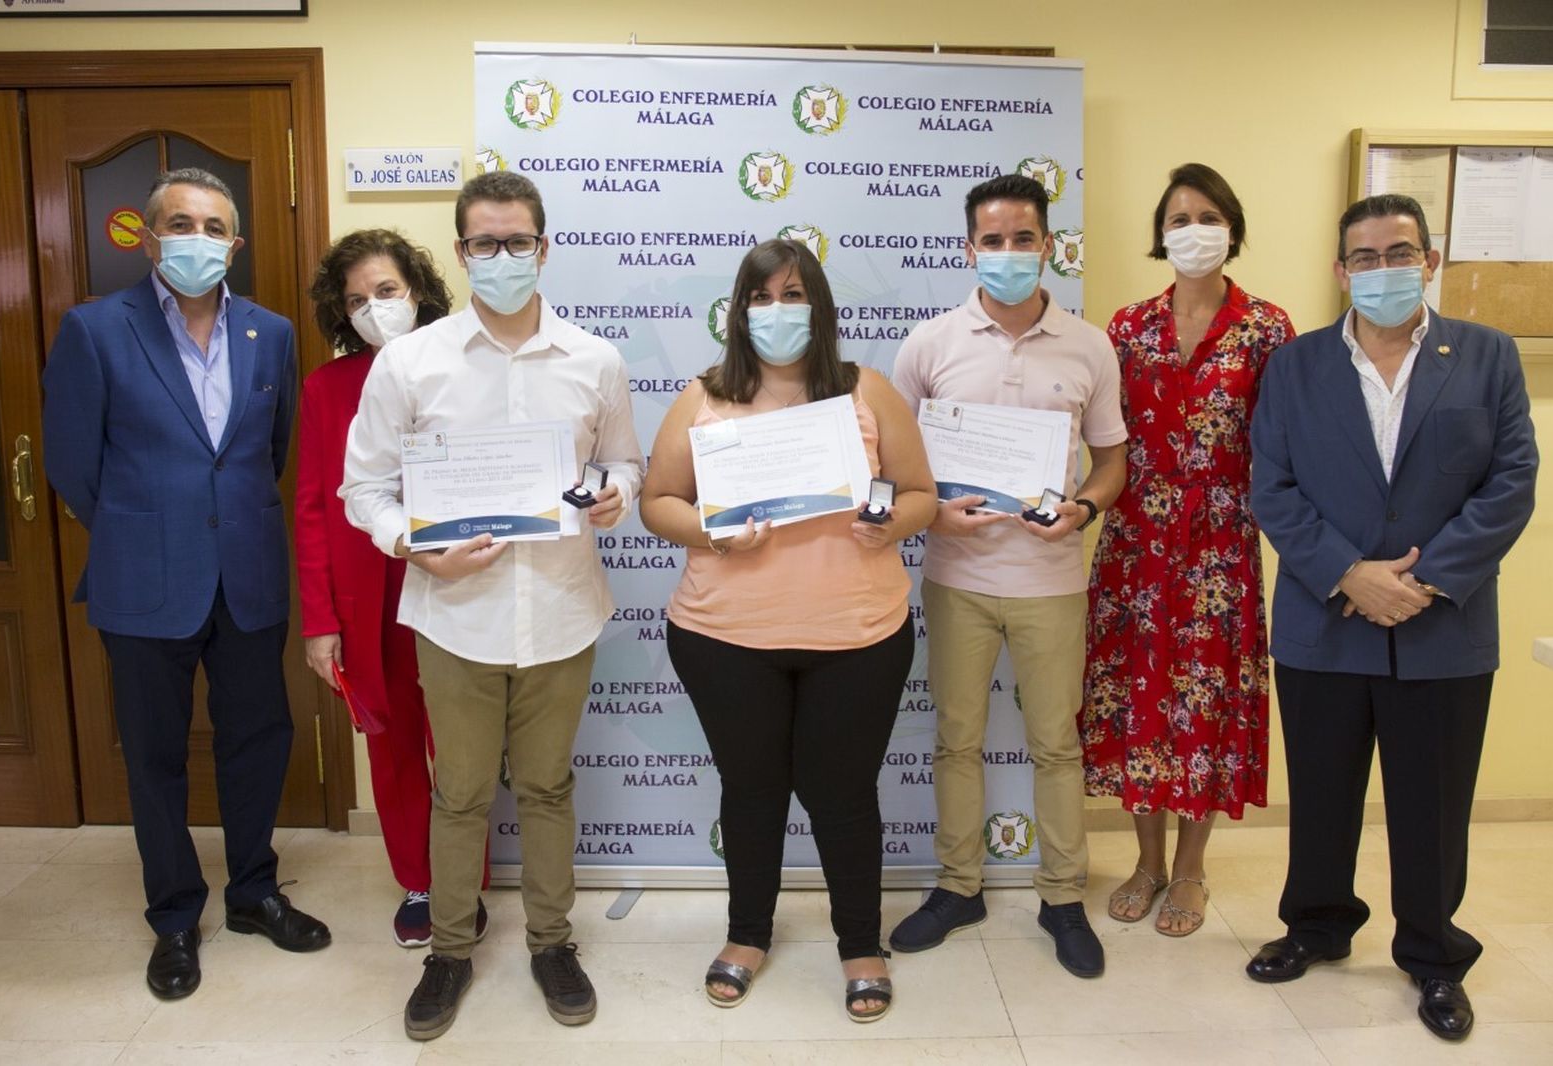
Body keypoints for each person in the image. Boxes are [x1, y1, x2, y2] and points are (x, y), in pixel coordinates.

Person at [340, 172, 645, 1040]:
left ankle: (552, 940)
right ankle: (448, 949)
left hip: (560, 606)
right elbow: (363, 489)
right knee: (461, 793)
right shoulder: (412, 360)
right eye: (484, 243)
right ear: (462, 252)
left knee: (547, 786)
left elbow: (624, 464)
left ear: (545, 250)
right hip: (455, 612)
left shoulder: (595, 359)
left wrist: (616, 493)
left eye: (518, 242)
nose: (503, 257)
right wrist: (410, 542)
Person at [1247, 194, 1537, 1041]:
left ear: (1430, 259)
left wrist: (1427, 580)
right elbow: (1274, 487)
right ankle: (1317, 925)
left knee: (1433, 805)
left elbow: (1511, 482)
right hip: (1323, 620)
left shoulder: (1485, 357)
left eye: (1399, 252)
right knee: (1323, 793)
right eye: (1365, 258)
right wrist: (1348, 573)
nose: (1383, 271)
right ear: (1341, 271)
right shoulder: (1295, 366)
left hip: (1442, 627)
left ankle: (1435, 956)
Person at [41, 167, 330, 1001]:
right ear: (150, 234)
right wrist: (144, 529)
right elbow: (72, 466)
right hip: (143, 582)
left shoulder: (270, 334)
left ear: (235, 244)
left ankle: (253, 892)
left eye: (212, 227)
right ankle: (173, 917)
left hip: (246, 578)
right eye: (180, 223)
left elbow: (265, 454)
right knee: (156, 757)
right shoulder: (96, 330)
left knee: (258, 739)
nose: (196, 239)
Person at [640, 238, 936, 1022]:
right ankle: (746, 935)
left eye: (795, 295)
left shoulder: (864, 390)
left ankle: (860, 944)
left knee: (843, 796)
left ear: (822, 307)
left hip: (858, 635)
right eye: (762, 298)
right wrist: (710, 530)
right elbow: (658, 499)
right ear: (739, 311)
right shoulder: (703, 395)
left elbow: (921, 495)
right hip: (725, 637)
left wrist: (888, 523)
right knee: (753, 790)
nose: (778, 312)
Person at [888, 174, 1127, 979]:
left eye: (1023, 239)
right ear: (969, 249)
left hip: (1053, 579)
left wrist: (1086, 511)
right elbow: (897, 464)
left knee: (1056, 743)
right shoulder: (929, 344)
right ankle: (960, 887)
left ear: (1048, 245)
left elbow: (1112, 459)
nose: (1008, 254)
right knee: (956, 739)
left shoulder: (1090, 345)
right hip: (957, 575)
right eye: (992, 241)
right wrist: (931, 514)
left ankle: (1062, 897)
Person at [1080, 164, 1295, 935]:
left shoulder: (1268, 328)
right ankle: (1145, 860)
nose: (1193, 229)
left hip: (1220, 548)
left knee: (1205, 702)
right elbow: (1103, 435)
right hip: (1137, 540)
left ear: (1232, 228)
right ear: (1160, 233)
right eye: (1178, 217)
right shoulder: (1126, 327)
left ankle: (1192, 868)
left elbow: (1284, 445)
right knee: (1141, 698)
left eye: (1208, 215)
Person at [296, 228, 492, 947]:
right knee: (397, 747)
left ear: (419, 293)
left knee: (464, 744)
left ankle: (466, 880)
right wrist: (321, 619)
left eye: (386, 292)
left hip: (460, 583)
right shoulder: (326, 388)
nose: (373, 309)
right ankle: (421, 880)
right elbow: (315, 506)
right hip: (368, 598)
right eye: (356, 300)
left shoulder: (471, 367)